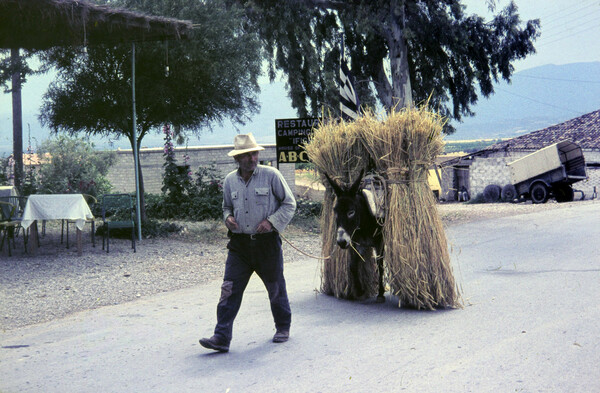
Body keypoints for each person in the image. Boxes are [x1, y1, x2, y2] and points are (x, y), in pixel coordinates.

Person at [199, 133, 297, 353]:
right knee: (229, 290)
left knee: (275, 287)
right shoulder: (230, 181)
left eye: (255, 153)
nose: (252, 158)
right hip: (239, 246)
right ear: (238, 159)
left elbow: (290, 204)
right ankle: (221, 337)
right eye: (247, 155)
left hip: (266, 245)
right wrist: (227, 218)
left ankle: (283, 327)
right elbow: (226, 207)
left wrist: (271, 222)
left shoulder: (271, 175)